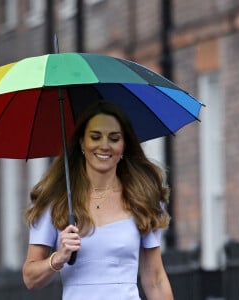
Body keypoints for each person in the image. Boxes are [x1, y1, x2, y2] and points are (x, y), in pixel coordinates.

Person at [22, 101, 174, 300]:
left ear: (124, 145)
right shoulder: (55, 201)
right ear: (81, 142)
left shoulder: (143, 199)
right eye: (95, 137)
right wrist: (58, 258)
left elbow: (155, 279)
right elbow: (30, 278)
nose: (104, 145)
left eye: (114, 138)